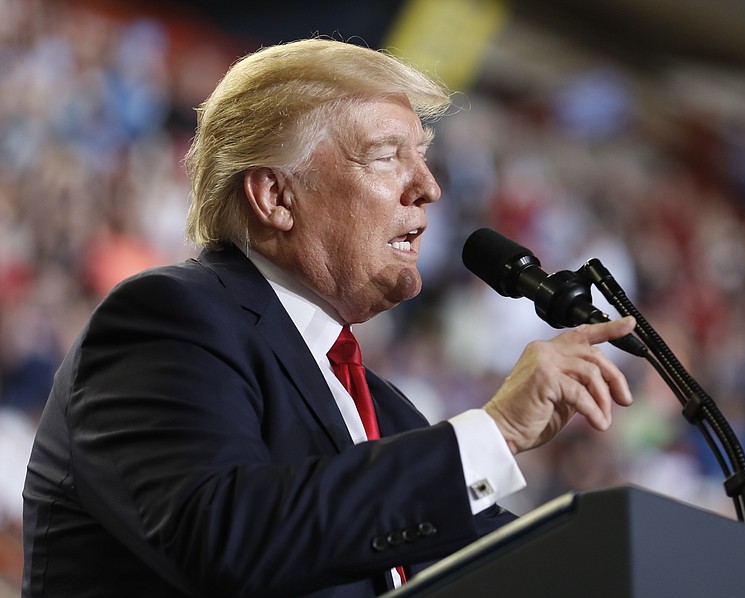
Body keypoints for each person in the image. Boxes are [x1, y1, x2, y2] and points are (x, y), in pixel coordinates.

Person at [22, 38, 635, 597]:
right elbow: (225, 537)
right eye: (386, 156)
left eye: (421, 157)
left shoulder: (386, 411)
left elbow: (504, 569)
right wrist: (494, 433)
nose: (428, 187)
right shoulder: (168, 319)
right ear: (275, 196)